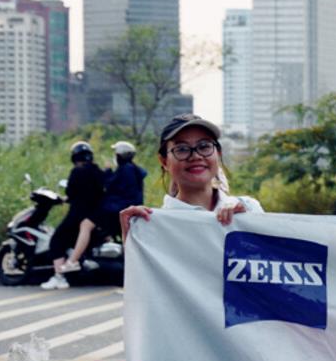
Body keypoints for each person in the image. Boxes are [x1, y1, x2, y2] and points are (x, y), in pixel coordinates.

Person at [117, 114, 262, 239]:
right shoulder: (154, 225)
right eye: (182, 149)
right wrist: (131, 242)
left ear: (218, 153)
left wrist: (247, 224)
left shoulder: (249, 208)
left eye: (204, 146)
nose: (196, 156)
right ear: (164, 161)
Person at [42, 141, 114, 289]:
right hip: (94, 215)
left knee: (57, 240)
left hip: (77, 214)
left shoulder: (76, 172)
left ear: (74, 157)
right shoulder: (97, 171)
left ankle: (59, 276)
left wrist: (65, 199)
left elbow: (71, 193)